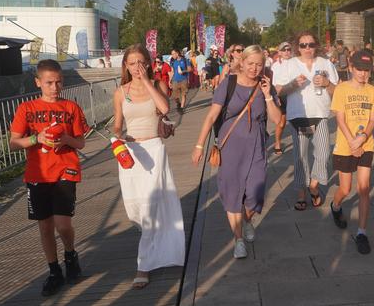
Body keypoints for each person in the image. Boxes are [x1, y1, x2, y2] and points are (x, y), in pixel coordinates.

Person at [192, 45, 281, 259]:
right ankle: (238, 239)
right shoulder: (228, 83)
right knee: (232, 193)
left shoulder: (265, 85)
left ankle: (247, 219)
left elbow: (278, 120)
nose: (254, 68)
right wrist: (199, 145)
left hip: (256, 146)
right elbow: (212, 116)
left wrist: (268, 95)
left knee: (255, 194)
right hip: (230, 147)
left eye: (259, 64)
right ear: (242, 62)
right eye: (251, 63)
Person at [9, 59, 90, 296]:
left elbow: (81, 142)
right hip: (37, 173)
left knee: (63, 225)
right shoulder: (26, 109)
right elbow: (14, 143)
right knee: (45, 227)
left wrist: (66, 140)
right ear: (38, 83)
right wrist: (37, 139)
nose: (54, 88)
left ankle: (70, 253)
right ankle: (54, 271)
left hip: (66, 169)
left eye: (58, 82)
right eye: (49, 83)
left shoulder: (71, 107)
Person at [112, 44, 185, 288]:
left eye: (140, 62)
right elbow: (117, 123)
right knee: (136, 211)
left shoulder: (156, 85)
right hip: (130, 153)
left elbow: (164, 108)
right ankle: (154, 245)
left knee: (150, 208)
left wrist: (147, 81)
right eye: (131, 63)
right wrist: (116, 138)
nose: (136, 67)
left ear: (148, 63)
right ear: (125, 66)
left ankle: (143, 266)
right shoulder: (121, 92)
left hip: (153, 150)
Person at [274, 31, 339, 211]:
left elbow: (337, 91)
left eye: (311, 44)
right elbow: (279, 90)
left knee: (324, 153)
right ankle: (302, 193)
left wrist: (327, 83)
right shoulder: (290, 64)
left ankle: (314, 185)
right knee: (300, 157)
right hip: (298, 116)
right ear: (297, 47)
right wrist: (293, 85)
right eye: (303, 45)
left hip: (320, 114)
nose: (307, 48)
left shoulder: (325, 63)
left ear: (316, 45)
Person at [329, 50, 374, 255]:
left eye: (366, 70)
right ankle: (335, 205)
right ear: (351, 68)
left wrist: (363, 138)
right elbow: (339, 119)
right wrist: (352, 141)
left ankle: (361, 232)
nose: (363, 74)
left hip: (365, 145)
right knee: (345, 188)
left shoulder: (372, 91)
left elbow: (373, 120)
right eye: (359, 69)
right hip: (345, 145)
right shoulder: (341, 89)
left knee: (364, 188)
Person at [271, 41, 292, 155]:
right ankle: (277, 143)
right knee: (282, 122)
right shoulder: (276, 65)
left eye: (289, 49)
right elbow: (273, 83)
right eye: (284, 50)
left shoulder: (295, 62)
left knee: (297, 120)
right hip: (281, 95)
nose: (287, 52)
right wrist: (275, 97)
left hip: (294, 94)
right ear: (279, 52)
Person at [169, 48, 190, 113]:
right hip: (175, 80)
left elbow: (190, 69)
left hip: (184, 79)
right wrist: (169, 80)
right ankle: (178, 103)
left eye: (173, 54)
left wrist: (183, 71)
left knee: (183, 94)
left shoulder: (185, 60)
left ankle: (181, 108)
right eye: (171, 54)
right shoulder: (172, 61)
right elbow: (172, 71)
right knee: (175, 96)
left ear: (177, 53)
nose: (172, 55)